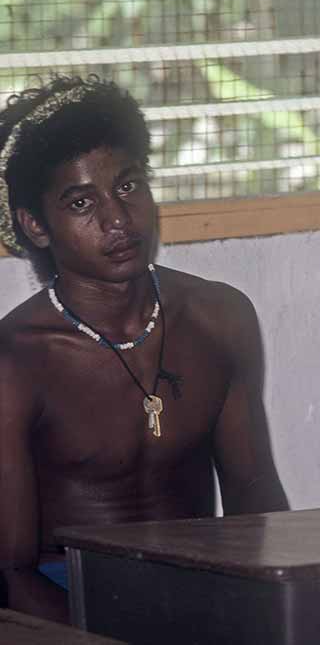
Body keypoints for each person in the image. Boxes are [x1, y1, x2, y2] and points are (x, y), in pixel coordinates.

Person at [0, 75, 288, 623]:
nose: (116, 218)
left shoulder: (218, 318)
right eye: (81, 202)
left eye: (128, 186)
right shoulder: (15, 362)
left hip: (204, 587)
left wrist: (276, 609)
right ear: (36, 226)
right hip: (70, 603)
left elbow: (257, 502)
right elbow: (11, 575)